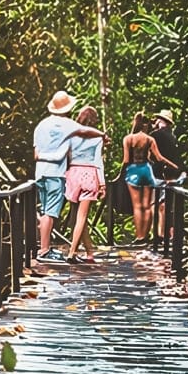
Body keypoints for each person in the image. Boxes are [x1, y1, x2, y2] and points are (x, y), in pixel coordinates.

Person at [34, 90, 105, 263]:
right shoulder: (68, 126)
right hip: (65, 173)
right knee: (58, 213)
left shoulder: (41, 125)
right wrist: (102, 135)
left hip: (48, 172)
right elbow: (89, 138)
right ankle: (54, 251)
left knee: (47, 211)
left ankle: (87, 252)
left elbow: (39, 153)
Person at [122, 112, 178, 244]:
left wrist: (122, 173)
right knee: (148, 205)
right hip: (147, 170)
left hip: (134, 170)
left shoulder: (129, 138)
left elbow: (125, 160)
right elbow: (158, 157)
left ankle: (141, 236)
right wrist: (174, 166)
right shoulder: (160, 138)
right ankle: (153, 235)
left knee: (138, 206)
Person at [64, 105, 106, 262]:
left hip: (73, 174)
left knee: (78, 217)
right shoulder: (96, 138)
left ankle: (89, 253)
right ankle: (72, 252)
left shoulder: (70, 136)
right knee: (82, 217)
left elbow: (66, 156)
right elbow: (98, 161)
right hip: (89, 174)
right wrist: (102, 184)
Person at [150, 109, 183, 239]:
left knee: (157, 204)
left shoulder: (156, 135)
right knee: (167, 204)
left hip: (158, 173)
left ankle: (159, 234)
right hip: (172, 173)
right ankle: (164, 233)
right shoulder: (173, 136)